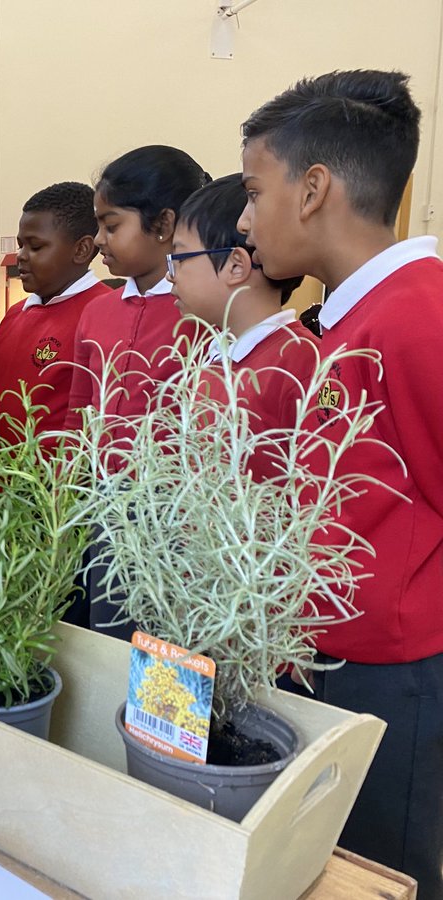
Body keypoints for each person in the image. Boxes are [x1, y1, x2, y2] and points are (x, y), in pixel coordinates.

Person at [237, 69, 442, 900]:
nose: (246, 219)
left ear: (314, 188)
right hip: (329, 659)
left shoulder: (415, 316)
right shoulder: (350, 318)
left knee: (383, 877)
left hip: (391, 674)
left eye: (254, 191)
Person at [65, 145, 210, 635]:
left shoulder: (203, 314)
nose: (99, 239)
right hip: (102, 508)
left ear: (164, 224)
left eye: (112, 225)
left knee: (167, 646)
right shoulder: (98, 311)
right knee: (108, 635)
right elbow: (78, 408)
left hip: (176, 517)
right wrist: (70, 485)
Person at [167, 174, 314, 479]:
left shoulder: (301, 362)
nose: (171, 276)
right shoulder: (210, 353)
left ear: (236, 265)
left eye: (179, 258)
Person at [0, 182, 110, 445]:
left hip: (62, 481)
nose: (20, 256)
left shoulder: (104, 314)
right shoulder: (14, 315)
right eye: (21, 245)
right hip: (2, 478)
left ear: (81, 250)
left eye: (36, 247)